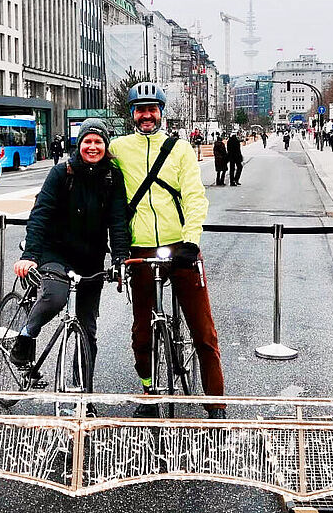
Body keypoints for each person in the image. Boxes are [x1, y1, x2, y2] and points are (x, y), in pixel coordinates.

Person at [109, 81, 226, 420]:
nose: (147, 114)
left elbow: (194, 196)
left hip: (180, 248)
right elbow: (94, 169)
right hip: (141, 249)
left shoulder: (180, 149)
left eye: (152, 109)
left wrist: (192, 241)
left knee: (204, 332)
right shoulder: (119, 148)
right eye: (140, 109)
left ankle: (216, 405)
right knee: (141, 331)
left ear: (161, 112)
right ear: (132, 114)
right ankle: (147, 390)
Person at [10, 118, 131, 408]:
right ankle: (27, 335)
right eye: (87, 141)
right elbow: (41, 215)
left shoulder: (112, 177)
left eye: (98, 142)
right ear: (79, 144)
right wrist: (30, 256)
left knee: (88, 330)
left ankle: (84, 395)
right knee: (54, 297)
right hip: (56, 252)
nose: (92, 146)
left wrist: (119, 258)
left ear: (105, 146)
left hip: (91, 258)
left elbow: (117, 221)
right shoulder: (60, 172)